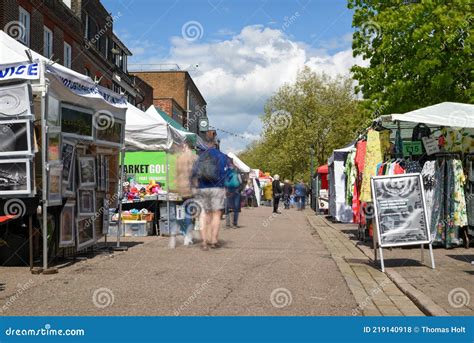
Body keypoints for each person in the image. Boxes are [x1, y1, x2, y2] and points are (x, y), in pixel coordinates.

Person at [191, 138, 229, 251]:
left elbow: (193, 174)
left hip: (202, 188)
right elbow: (226, 173)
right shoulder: (222, 156)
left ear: (205, 144)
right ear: (216, 144)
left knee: (203, 214)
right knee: (216, 215)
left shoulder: (200, 157)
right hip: (217, 188)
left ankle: (204, 241)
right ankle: (213, 240)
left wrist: (194, 186)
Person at [175, 144, 197, 247]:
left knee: (180, 212)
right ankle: (187, 237)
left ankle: (184, 234)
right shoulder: (193, 157)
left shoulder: (178, 158)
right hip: (190, 188)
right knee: (189, 212)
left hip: (179, 188)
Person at [224, 160, 242, 228]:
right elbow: (240, 182)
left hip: (228, 191)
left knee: (227, 208)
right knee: (236, 208)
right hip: (236, 191)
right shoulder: (237, 173)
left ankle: (228, 224)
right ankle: (234, 223)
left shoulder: (225, 173)